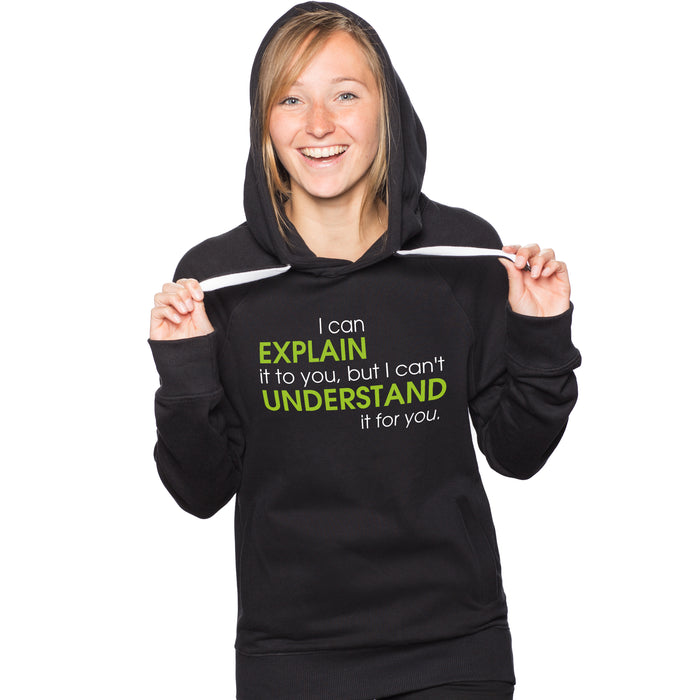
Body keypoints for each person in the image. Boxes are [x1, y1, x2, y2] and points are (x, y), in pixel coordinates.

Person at [148, 3, 581, 699]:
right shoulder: (219, 279)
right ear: (264, 122)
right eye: (291, 99)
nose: (318, 125)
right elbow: (200, 492)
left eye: (345, 95)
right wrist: (186, 378)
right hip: (289, 658)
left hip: (453, 651)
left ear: (388, 110)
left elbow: (518, 454)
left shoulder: (462, 255)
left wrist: (540, 333)